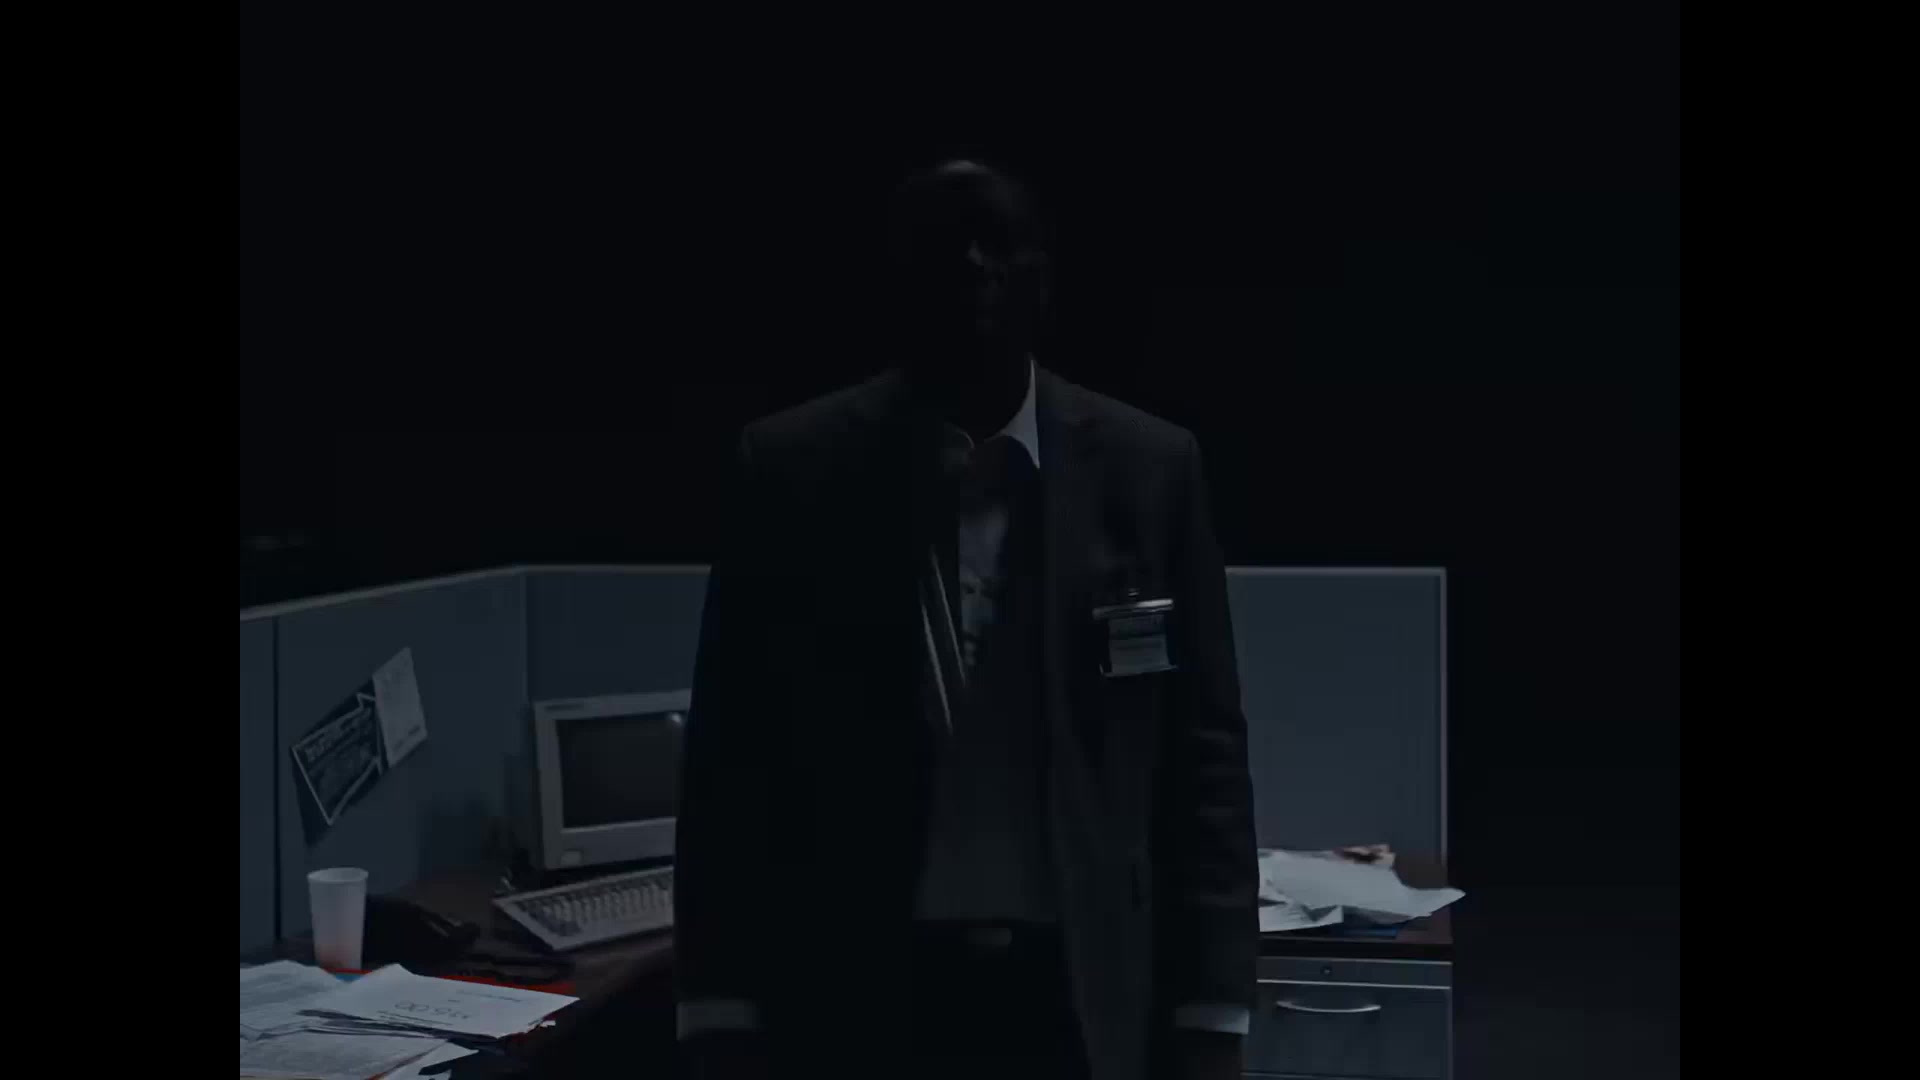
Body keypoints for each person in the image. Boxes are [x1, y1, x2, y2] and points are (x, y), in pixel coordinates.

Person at [673, 159, 1256, 1080]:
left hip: (1081, 987)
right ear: (893, 280)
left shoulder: (1149, 471)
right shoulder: (793, 472)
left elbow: (1203, 757)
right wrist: (716, 1006)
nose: (976, 266)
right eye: (946, 245)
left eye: (998, 243)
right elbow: (729, 757)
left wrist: (1213, 1007)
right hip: (860, 985)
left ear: (1045, 278)